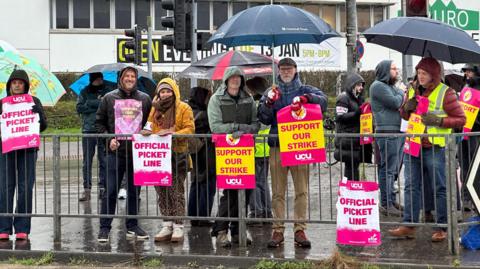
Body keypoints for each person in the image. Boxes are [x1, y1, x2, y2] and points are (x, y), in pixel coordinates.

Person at [389, 57, 465, 242]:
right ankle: (409, 224)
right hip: (414, 144)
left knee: (440, 187)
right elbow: (404, 114)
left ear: (434, 75)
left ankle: (443, 227)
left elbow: (461, 119)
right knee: (411, 186)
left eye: (424, 73)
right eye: (419, 73)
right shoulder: (413, 89)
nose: (420, 77)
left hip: (435, 147)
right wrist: (406, 107)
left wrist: (439, 121)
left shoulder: (446, 93)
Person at [257, 58, 328, 248]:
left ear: (296, 70)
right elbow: (262, 118)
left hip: (299, 147)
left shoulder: (306, 89)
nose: (286, 72)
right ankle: (278, 230)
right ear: (278, 71)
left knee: (301, 190)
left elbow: (324, 103)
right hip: (277, 146)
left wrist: (308, 99)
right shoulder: (271, 92)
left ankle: (300, 230)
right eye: (283, 69)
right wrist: (268, 103)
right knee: (278, 192)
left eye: (289, 69)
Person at [95, 66, 152, 243]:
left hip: (137, 153)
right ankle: (105, 228)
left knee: (135, 192)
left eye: (132, 76)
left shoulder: (144, 98)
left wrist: (147, 131)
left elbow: (150, 122)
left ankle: (132, 225)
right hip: (115, 152)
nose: (129, 79)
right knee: (111, 191)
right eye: (126, 76)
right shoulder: (109, 98)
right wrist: (108, 139)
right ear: (121, 79)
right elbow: (99, 123)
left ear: (136, 79)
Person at [208, 66, 259, 248]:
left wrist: (244, 129)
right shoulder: (216, 99)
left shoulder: (249, 98)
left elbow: (255, 124)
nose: (236, 80)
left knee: (246, 191)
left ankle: (238, 230)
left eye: (239, 77)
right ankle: (221, 230)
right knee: (229, 193)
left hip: (245, 152)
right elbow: (215, 126)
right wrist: (236, 128)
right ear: (227, 80)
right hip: (226, 152)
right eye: (233, 77)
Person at [141, 78, 194, 243]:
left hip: (178, 155)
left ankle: (178, 225)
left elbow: (190, 129)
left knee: (176, 191)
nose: (165, 94)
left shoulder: (184, 107)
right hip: (159, 157)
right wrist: (145, 131)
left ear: (174, 92)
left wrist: (173, 133)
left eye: (168, 91)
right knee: (161, 191)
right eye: (162, 91)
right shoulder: (154, 109)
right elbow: (149, 125)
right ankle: (167, 223)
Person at [0, 69, 47, 240]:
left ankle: (22, 228)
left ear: (25, 85)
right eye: (14, 82)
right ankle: (3, 228)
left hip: (28, 151)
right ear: (10, 85)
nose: (17, 85)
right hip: (6, 150)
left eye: (20, 82)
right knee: (5, 188)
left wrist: (38, 115)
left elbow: (43, 126)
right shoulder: (2, 103)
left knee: (25, 188)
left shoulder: (34, 101)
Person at [369, 60, 403, 217]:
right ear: (384, 70)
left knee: (392, 169)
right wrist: (401, 92)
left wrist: (398, 92)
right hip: (386, 132)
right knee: (387, 169)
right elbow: (396, 102)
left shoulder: (389, 86)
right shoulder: (378, 86)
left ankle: (390, 200)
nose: (396, 71)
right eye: (393, 69)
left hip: (394, 131)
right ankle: (386, 203)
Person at [76, 72, 114, 201]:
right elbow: (79, 108)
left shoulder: (108, 91)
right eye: (97, 79)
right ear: (92, 80)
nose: (99, 81)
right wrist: (95, 103)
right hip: (88, 131)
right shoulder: (84, 91)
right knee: (87, 161)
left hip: (103, 130)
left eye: (101, 79)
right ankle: (86, 189)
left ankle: (102, 188)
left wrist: (93, 104)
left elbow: (109, 108)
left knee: (103, 160)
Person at [186, 87, 217, 227]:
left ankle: (193, 216)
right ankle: (204, 217)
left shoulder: (189, 112)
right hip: (207, 151)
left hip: (194, 151)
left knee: (195, 183)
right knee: (208, 184)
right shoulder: (205, 114)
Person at [334, 72, 372, 181]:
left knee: (354, 167)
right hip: (347, 139)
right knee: (350, 168)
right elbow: (339, 117)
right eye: (358, 85)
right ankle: (348, 192)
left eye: (362, 85)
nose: (361, 88)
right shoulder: (343, 98)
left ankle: (352, 192)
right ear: (352, 85)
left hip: (354, 140)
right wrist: (357, 113)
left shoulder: (358, 98)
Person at [246, 77, 273, 221]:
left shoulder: (254, 105)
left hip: (255, 147)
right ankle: (267, 210)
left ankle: (256, 211)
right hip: (266, 148)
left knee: (253, 182)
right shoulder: (268, 104)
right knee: (263, 181)